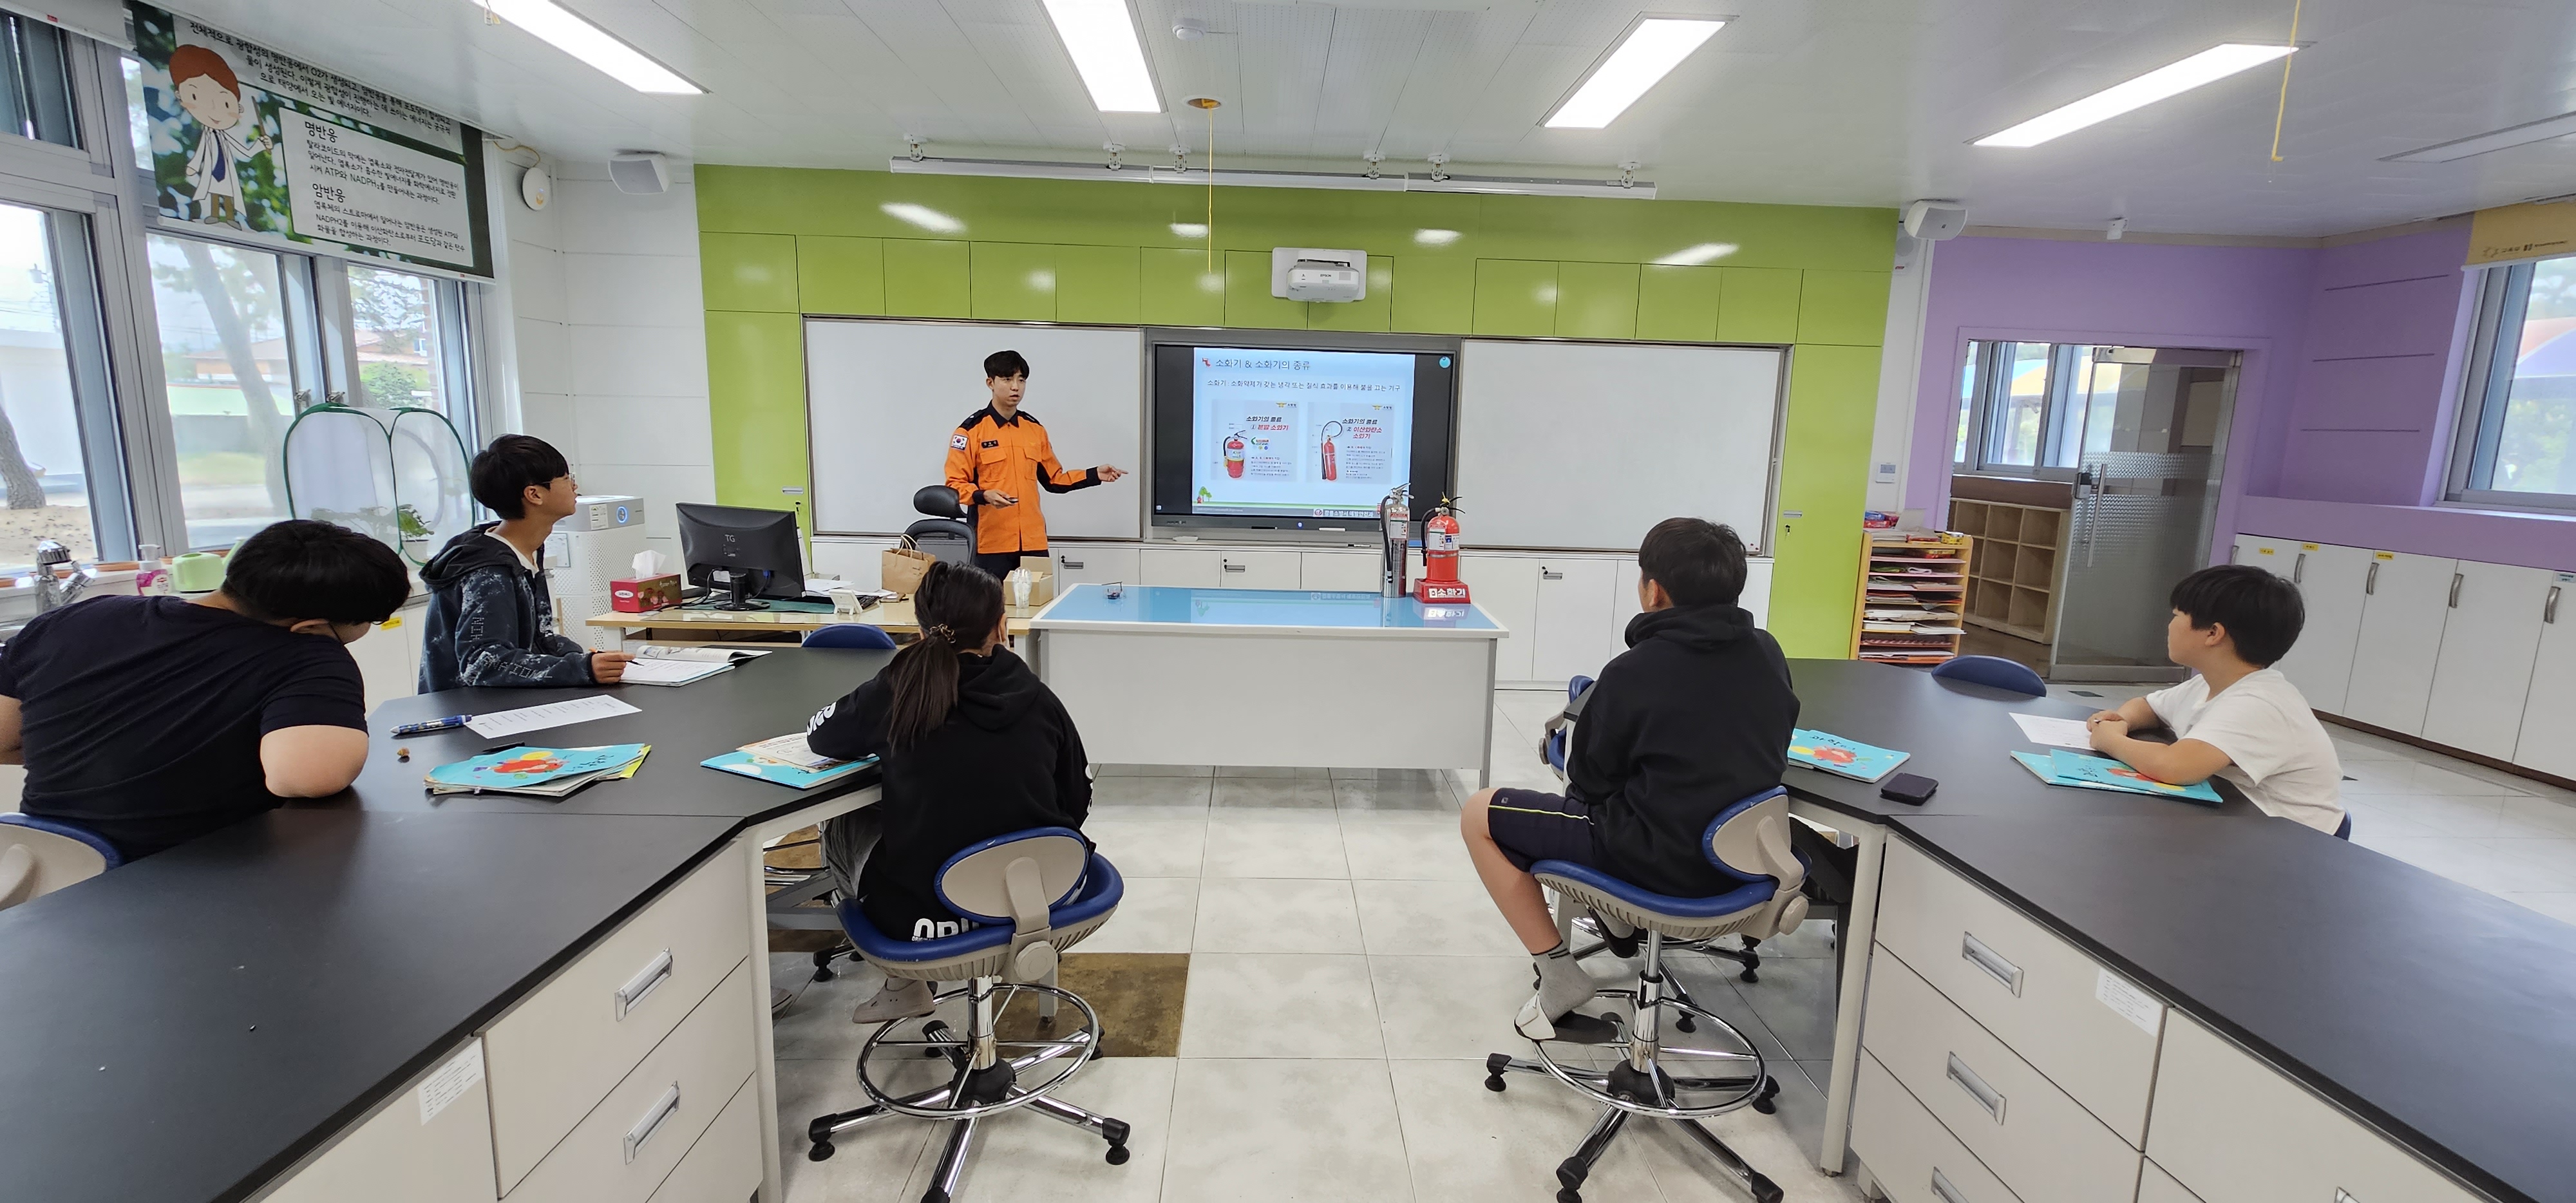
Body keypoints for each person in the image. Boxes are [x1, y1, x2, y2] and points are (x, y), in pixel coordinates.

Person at [1459, 518, 1798, 1040]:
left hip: (1654, 863)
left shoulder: (1633, 671)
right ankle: (1618, 923)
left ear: (1653, 590)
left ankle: (1559, 976)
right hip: (1742, 867)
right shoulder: (1767, 652)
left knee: (1479, 813)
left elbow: (1589, 781)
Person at [0, 520, 410, 860]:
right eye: (370, 622)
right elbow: (307, 778)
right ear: (312, 626)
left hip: (47, 866)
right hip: (181, 877)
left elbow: (5, 741)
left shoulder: (77, 618)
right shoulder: (307, 655)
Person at [805, 560, 1093, 1023]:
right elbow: (1077, 799)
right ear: (1001, 627)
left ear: (921, 631)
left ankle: (903, 984)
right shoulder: (1037, 695)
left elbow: (820, 737)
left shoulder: (896, 690)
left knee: (843, 820)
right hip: (1042, 900)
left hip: (918, 919)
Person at [2085, 564, 2345, 834]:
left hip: (2295, 839)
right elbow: (2148, 706)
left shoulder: (2259, 703)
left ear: (2213, 633)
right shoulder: (2211, 683)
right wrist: (2123, 719)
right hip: (2239, 816)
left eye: (2177, 615)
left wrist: (2110, 739)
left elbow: (2174, 767)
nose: (2170, 625)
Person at [419, 435, 631, 690]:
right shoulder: (489, 572)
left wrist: (583, 659)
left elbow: (539, 638)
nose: (575, 486)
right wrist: (579, 668)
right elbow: (482, 663)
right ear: (534, 494)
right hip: (471, 709)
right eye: (566, 479)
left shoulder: (523, 551)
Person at [944, 350, 1128, 580]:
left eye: (1021, 380)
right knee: (992, 603)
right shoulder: (970, 431)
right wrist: (984, 495)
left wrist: (1094, 474)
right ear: (990, 383)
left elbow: (1054, 480)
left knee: (1038, 602)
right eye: (1007, 379)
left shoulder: (1034, 429)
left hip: (1033, 543)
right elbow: (955, 484)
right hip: (991, 543)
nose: (1016, 387)